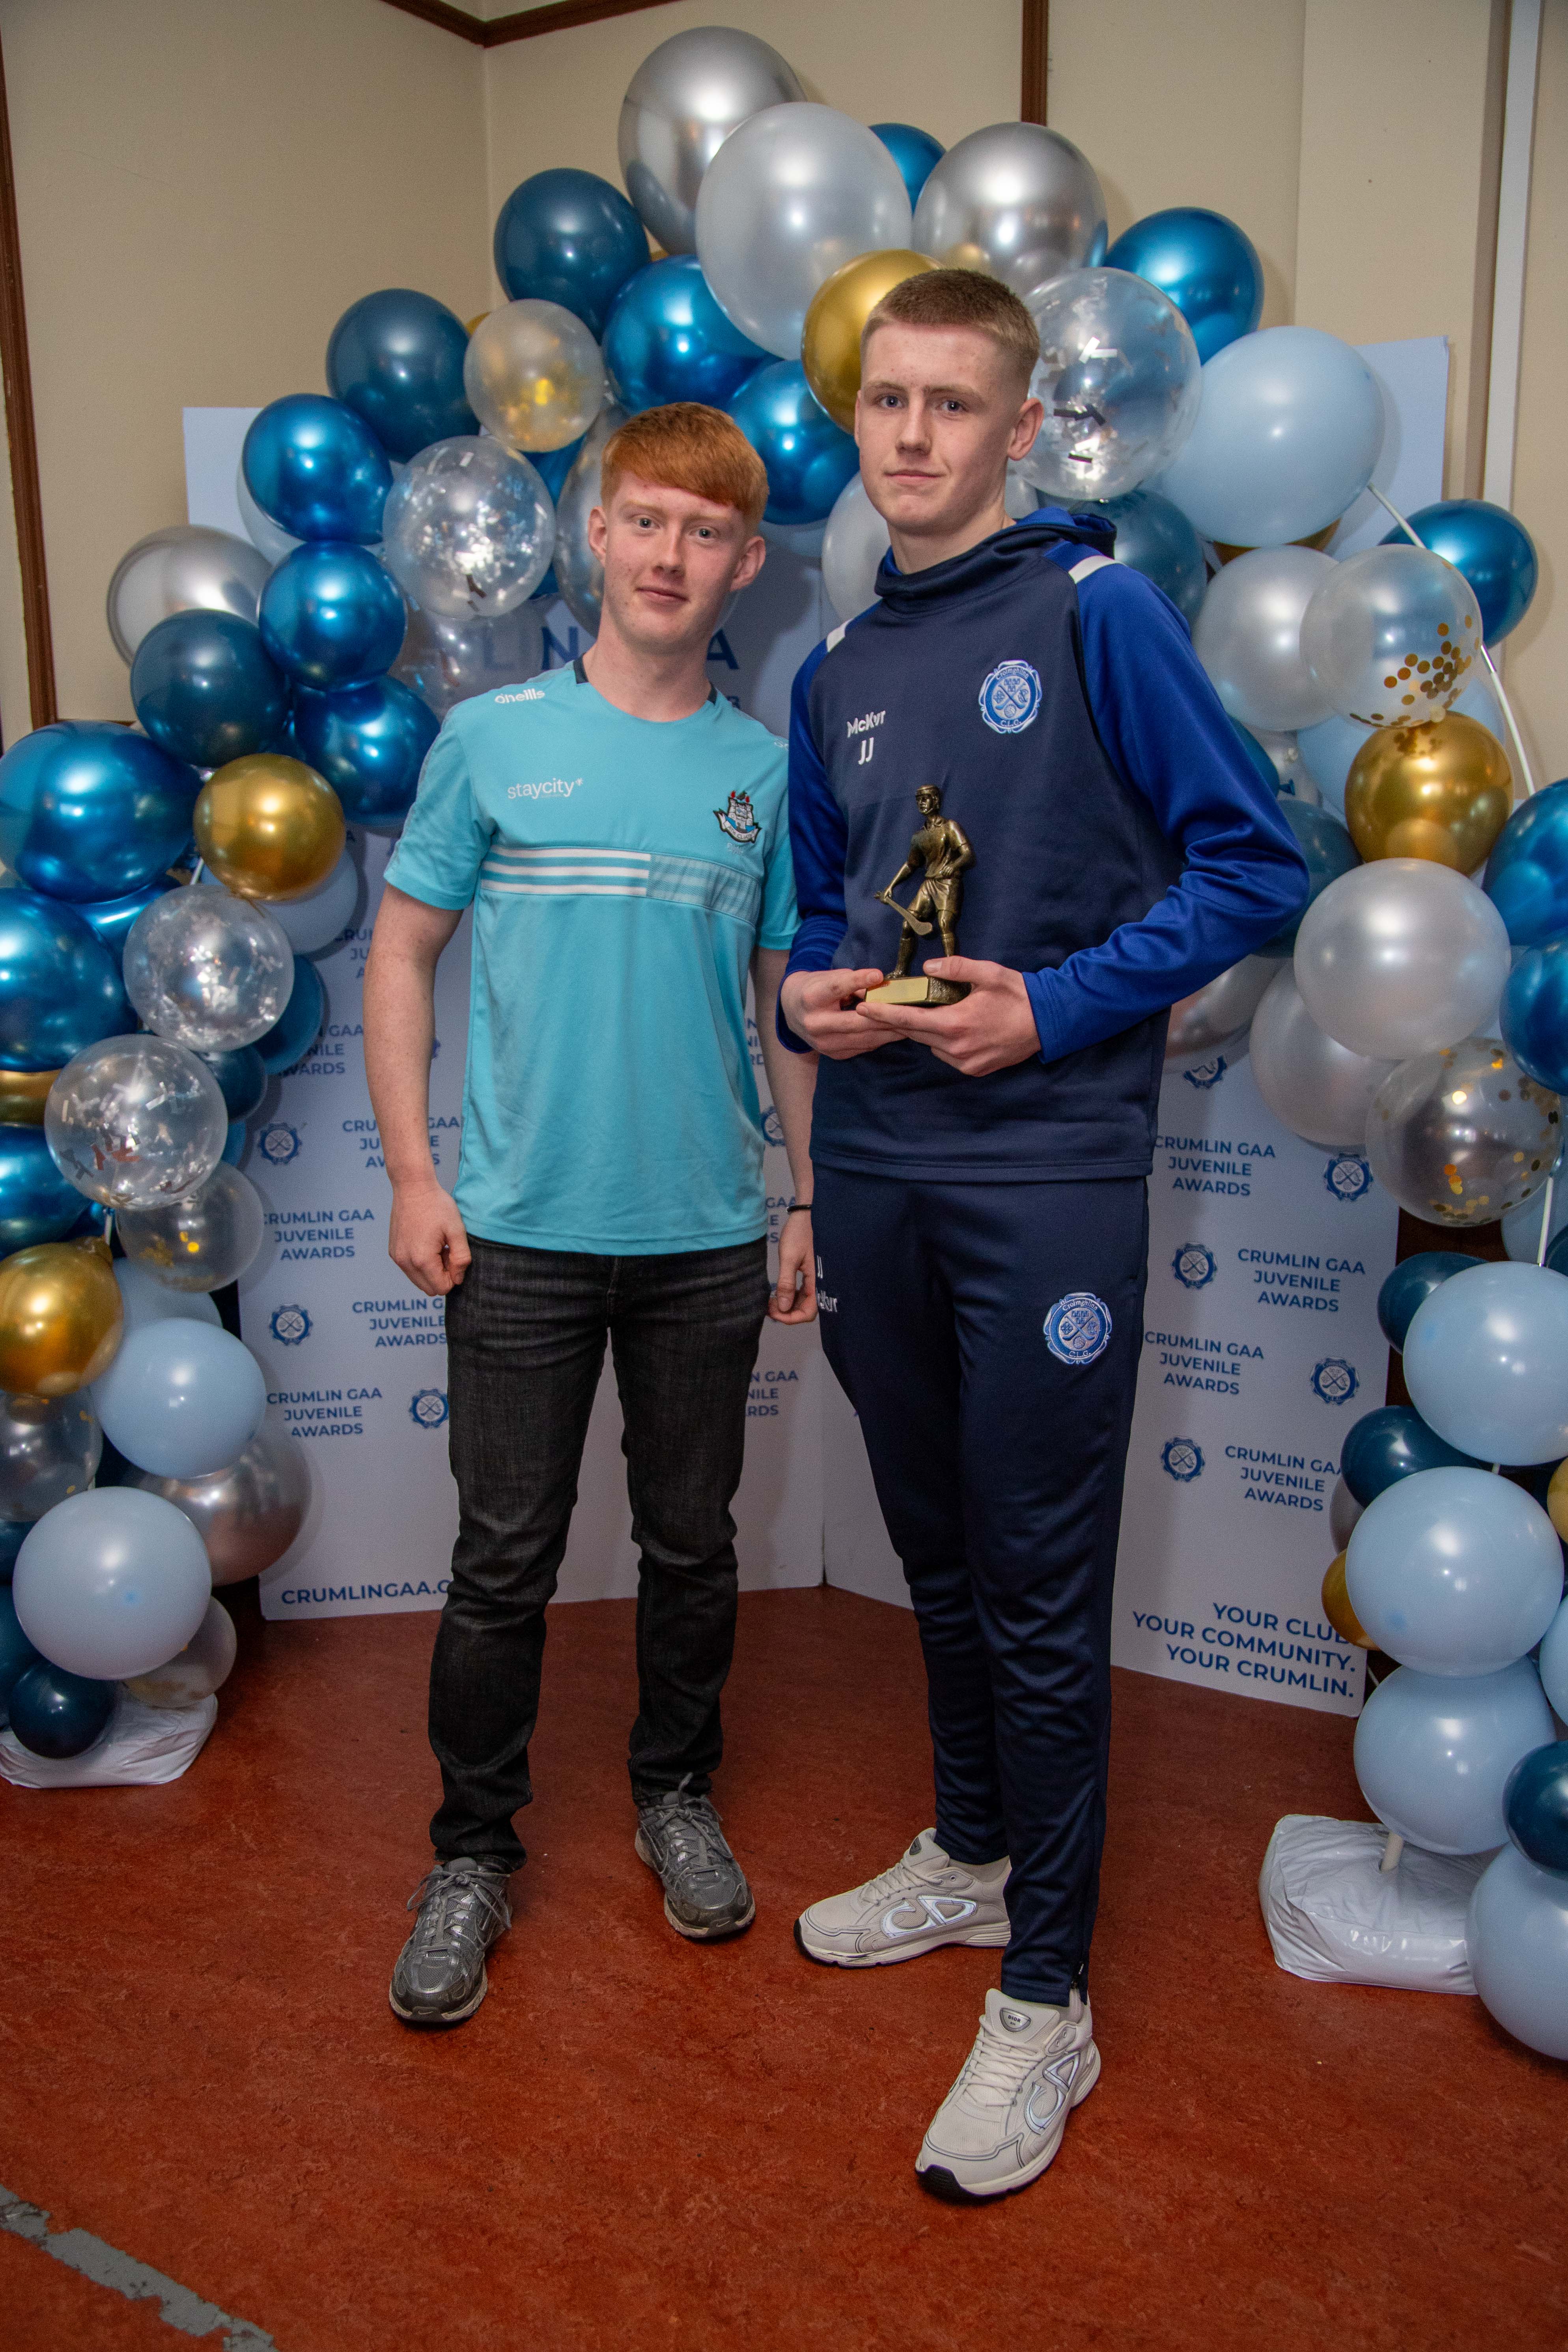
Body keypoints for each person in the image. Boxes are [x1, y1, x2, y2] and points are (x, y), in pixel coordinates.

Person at [777, 270, 1308, 2202]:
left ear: (1019, 430)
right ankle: (973, 1851)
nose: (912, 434)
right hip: (881, 1167)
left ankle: (1047, 1996)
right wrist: (809, 1002)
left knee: (1033, 1576)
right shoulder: (833, 666)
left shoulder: (1099, 613)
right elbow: (829, 909)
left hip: (1047, 1176)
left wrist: (1058, 1005)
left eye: (952, 404)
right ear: (857, 420)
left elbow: (1255, 863)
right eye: (886, 401)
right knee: (935, 1553)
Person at [364, 402, 817, 2029]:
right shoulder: (493, 739)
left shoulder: (763, 772)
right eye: (647, 522)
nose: (670, 556)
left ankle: (674, 1794)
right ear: (598, 536)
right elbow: (401, 952)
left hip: (704, 1235)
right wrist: (414, 1174)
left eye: (707, 532)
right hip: (517, 1236)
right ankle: (471, 1853)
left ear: (744, 564)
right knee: (504, 1561)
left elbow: (783, 1004)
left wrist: (804, 1197)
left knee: (695, 1544)